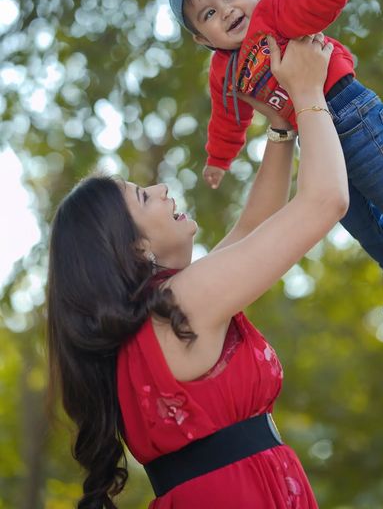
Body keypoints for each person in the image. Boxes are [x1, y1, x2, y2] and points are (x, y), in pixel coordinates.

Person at [47, 35, 348, 508]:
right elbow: (326, 200)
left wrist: (279, 126)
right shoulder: (182, 305)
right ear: (134, 246)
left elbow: (255, 227)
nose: (163, 188)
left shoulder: (158, 317)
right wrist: (309, 93)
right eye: (144, 196)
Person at [167, 0, 383, 321]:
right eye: (208, 14)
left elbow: (309, 5)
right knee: (351, 214)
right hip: (317, 139)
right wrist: (219, 160)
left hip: (348, 111)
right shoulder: (224, 73)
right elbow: (228, 120)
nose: (225, 10)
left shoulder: (274, 10)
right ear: (201, 37)